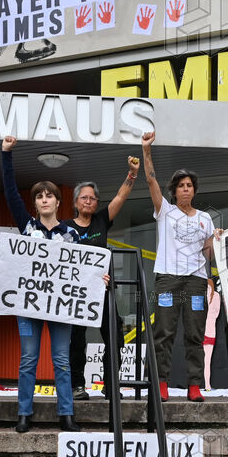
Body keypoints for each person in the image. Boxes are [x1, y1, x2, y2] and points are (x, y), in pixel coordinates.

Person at [0, 136, 83, 432]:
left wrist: (99, 278)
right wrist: (6, 154)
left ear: (58, 202)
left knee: (61, 359)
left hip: (61, 307)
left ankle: (66, 415)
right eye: (39, 196)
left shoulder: (72, 234)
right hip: (28, 305)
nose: (44, 199)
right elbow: (10, 192)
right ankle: (24, 413)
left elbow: (83, 270)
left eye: (49, 196)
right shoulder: (27, 227)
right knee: (28, 359)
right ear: (34, 204)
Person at [141, 130, 216, 402]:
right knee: (163, 332)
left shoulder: (205, 218)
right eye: (181, 185)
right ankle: (161, 383)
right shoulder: (165, 211)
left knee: (195, 333)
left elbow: (208, 253)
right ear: (174, 191)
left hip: (196, 281)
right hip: (168, 280)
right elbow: (151, 179)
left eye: (189, 185)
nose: (186, 188)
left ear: (194, 190)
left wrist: (217, 242)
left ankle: (194, 386)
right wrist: (146, 150)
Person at [67, 159, 139, 399]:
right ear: (76, 202)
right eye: (84, 198)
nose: (89, 201)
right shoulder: (64, 228)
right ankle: (77, 386)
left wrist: (131, 175)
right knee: (76, 340)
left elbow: (120, 197)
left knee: (115, 337)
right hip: (76, 294)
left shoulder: (101, 220)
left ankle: (111, 385)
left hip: (103, 290)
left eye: (93, 198)